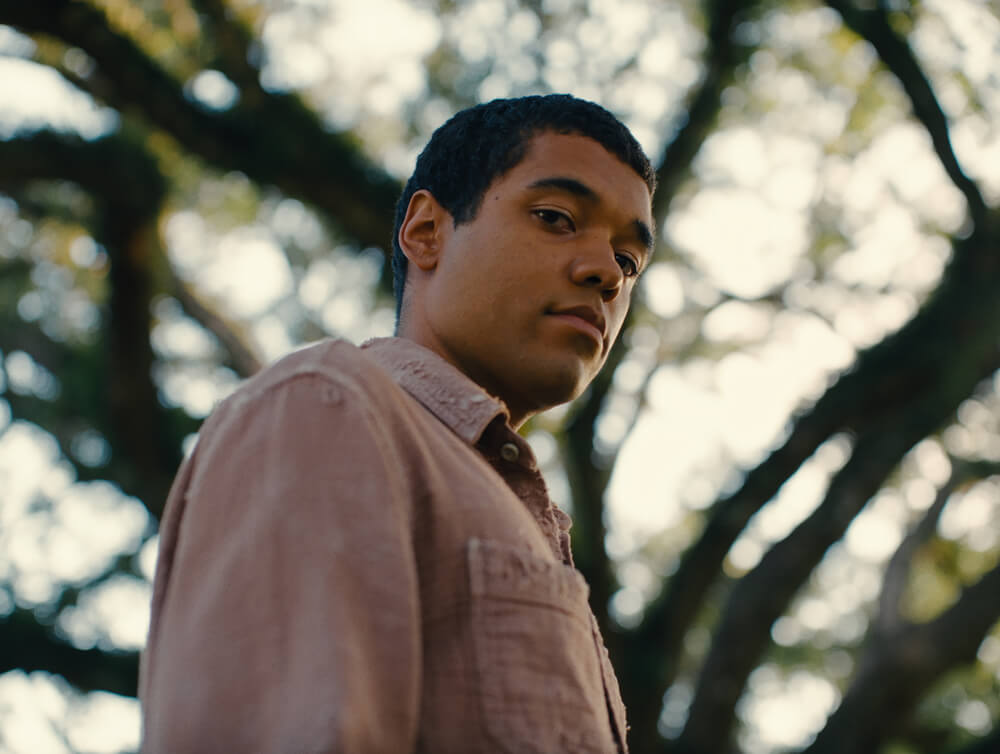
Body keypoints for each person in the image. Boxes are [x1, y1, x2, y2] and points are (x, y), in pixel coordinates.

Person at [139, 94, 656, 753]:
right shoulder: (327, 408)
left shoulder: (515, 509)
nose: (605, 273)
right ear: (426, 233)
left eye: (630, 260)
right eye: (556, 218)